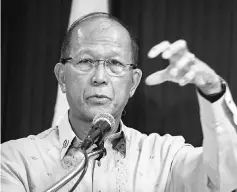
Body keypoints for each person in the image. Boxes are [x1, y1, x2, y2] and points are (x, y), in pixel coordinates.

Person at [1, 12, 237, 192]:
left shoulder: (166, 157)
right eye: (85, 61)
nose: (100, 78)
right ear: (62, 77)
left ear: (133, 83)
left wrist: (212, 90)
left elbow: (224, 179)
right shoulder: (15, 161)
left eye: (114, 64)